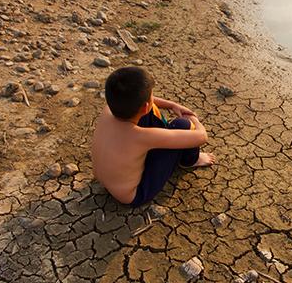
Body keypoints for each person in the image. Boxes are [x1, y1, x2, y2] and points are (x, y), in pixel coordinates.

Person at [91, 67, 215, 205]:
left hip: (104, 180)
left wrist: (172, 105)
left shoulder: (108, 110)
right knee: (183, 124)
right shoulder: (142, 137)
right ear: (145, 105)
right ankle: (191, 160)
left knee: (144, 111)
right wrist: (193, 118)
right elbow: (202, 136)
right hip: (135, 195)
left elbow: (144, 102)